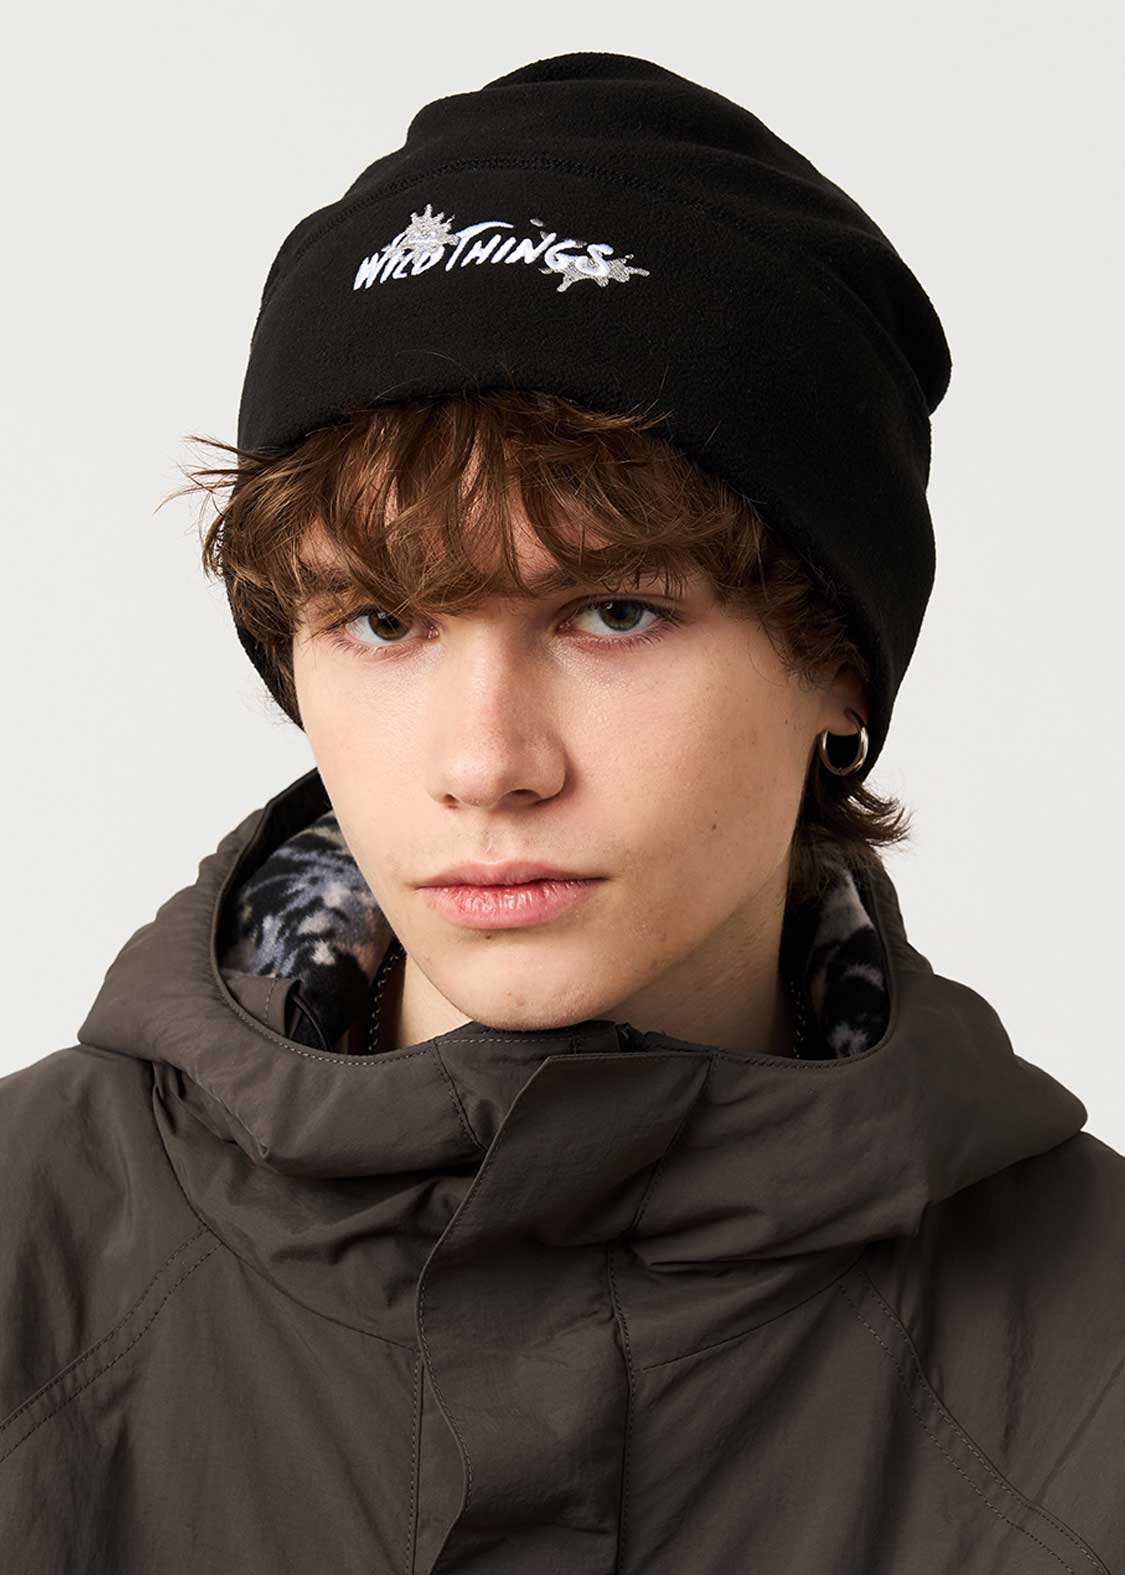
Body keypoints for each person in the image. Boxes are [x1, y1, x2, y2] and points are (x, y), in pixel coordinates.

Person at [2, 50, 1122, 1574]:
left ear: (836, 666)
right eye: (383, 624)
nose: (487, 764)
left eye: (612, 613)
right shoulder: (26, 1241)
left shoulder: (1093, 1344)